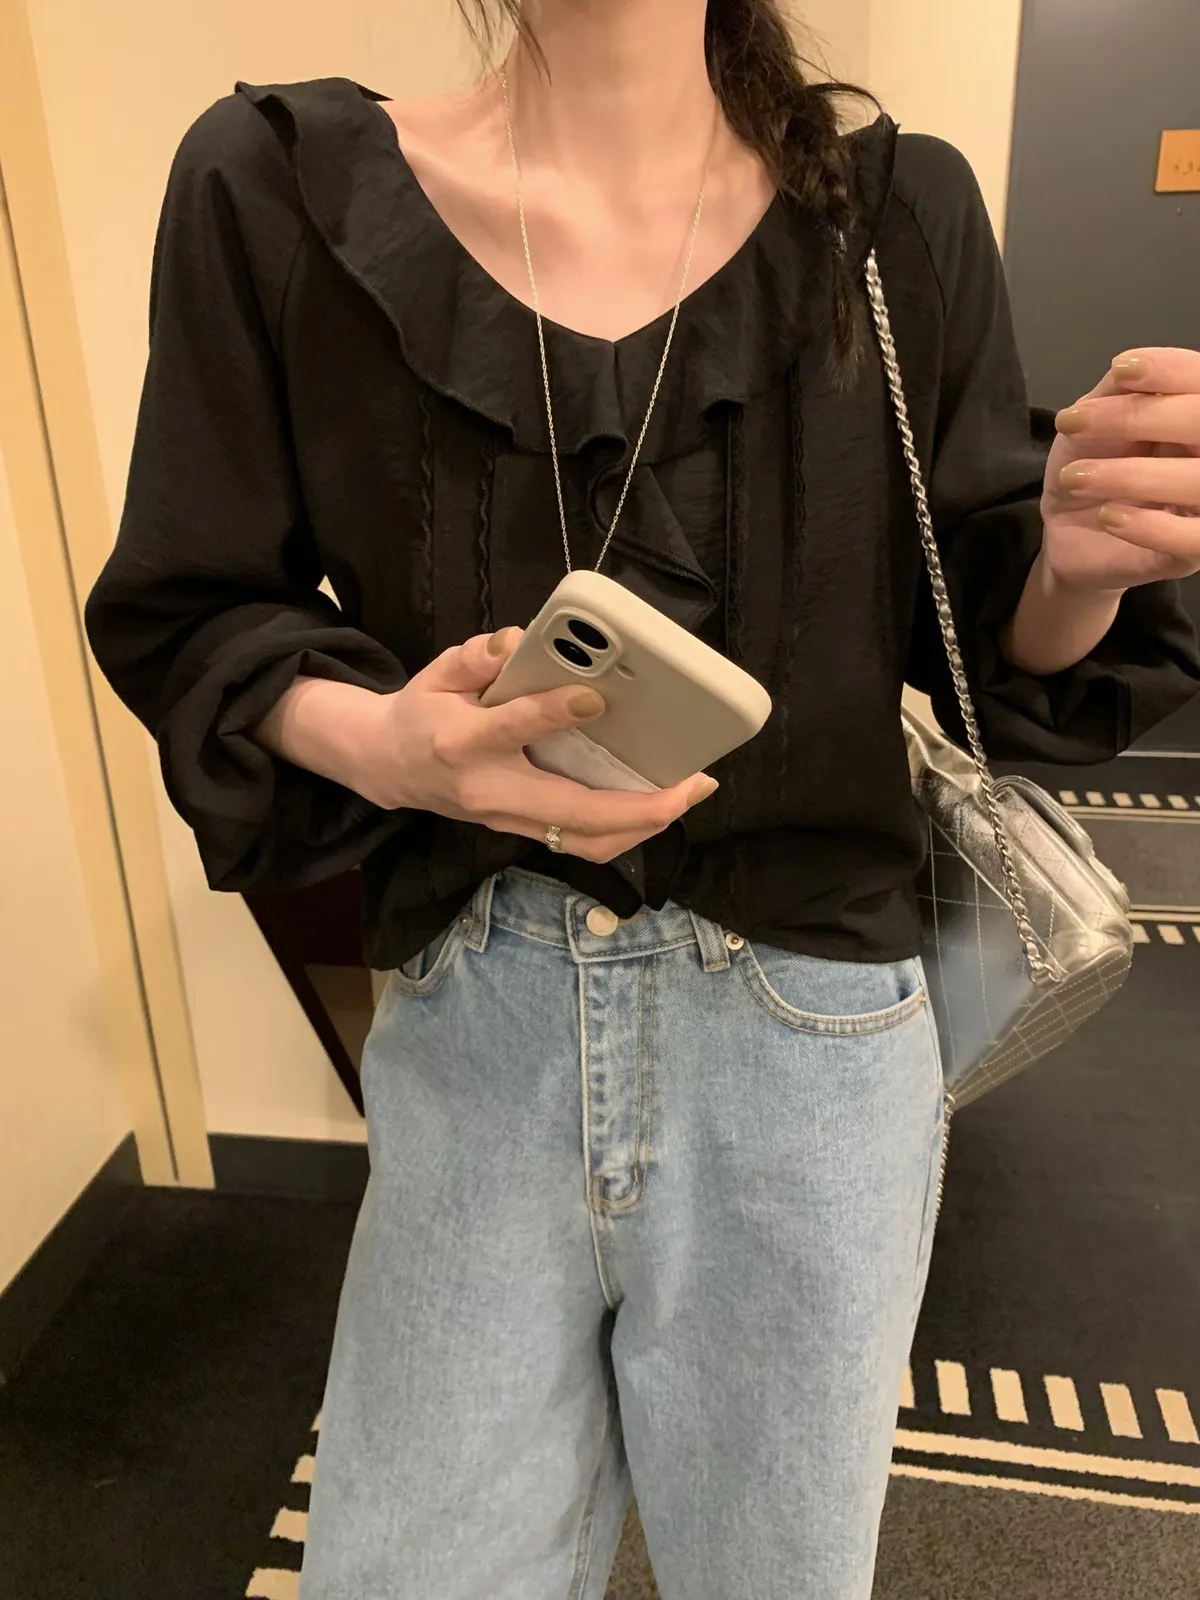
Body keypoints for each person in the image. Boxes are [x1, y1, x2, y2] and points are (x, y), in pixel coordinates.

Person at [85, 2, 1200, 1595]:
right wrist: (392, 745)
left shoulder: (897, 217)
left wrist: (1081, 571)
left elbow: (975, 641)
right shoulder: (277, 194)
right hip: (475, 1030)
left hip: (816, 1048)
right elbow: (189, 604)